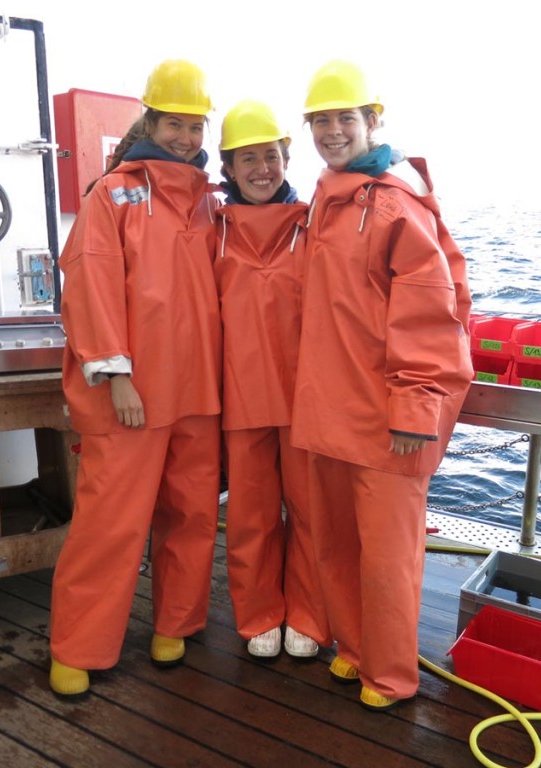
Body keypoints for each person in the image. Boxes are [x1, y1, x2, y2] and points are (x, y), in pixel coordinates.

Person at [291, 60, 474, 710]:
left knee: (388, 560)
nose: (333, 131)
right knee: (336, 545)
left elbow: (431, 315)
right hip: (330, 414)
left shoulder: (397, 204)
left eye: (345, 117)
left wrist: (416, 408)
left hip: (388, 422)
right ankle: (355, 649)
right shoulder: (325, 198)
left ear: (373, 121)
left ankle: (391, 676)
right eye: (321, 120)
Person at [49, 59, 222, 698]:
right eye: (174, 123)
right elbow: (90, 285)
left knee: (193, 512)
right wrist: (116, 374)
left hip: (199, 392)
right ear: (150, 120)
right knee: (111, 523)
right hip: (132, 395)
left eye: (195, 125)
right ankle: (77, 645)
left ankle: (177, 622)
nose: (184, 136)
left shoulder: (210, 200)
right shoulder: (111, 194)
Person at [213, 100, 331, 659]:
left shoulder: (315, 223)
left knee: (311, 514)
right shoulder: (209, 228)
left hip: (306, 397)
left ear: (287, 159)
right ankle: (259, 612)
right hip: (239, 396)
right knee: (250, 516)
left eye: (272, 156)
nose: (262, 168)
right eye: (248, 159)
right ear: (229, 167)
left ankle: (308, 614)